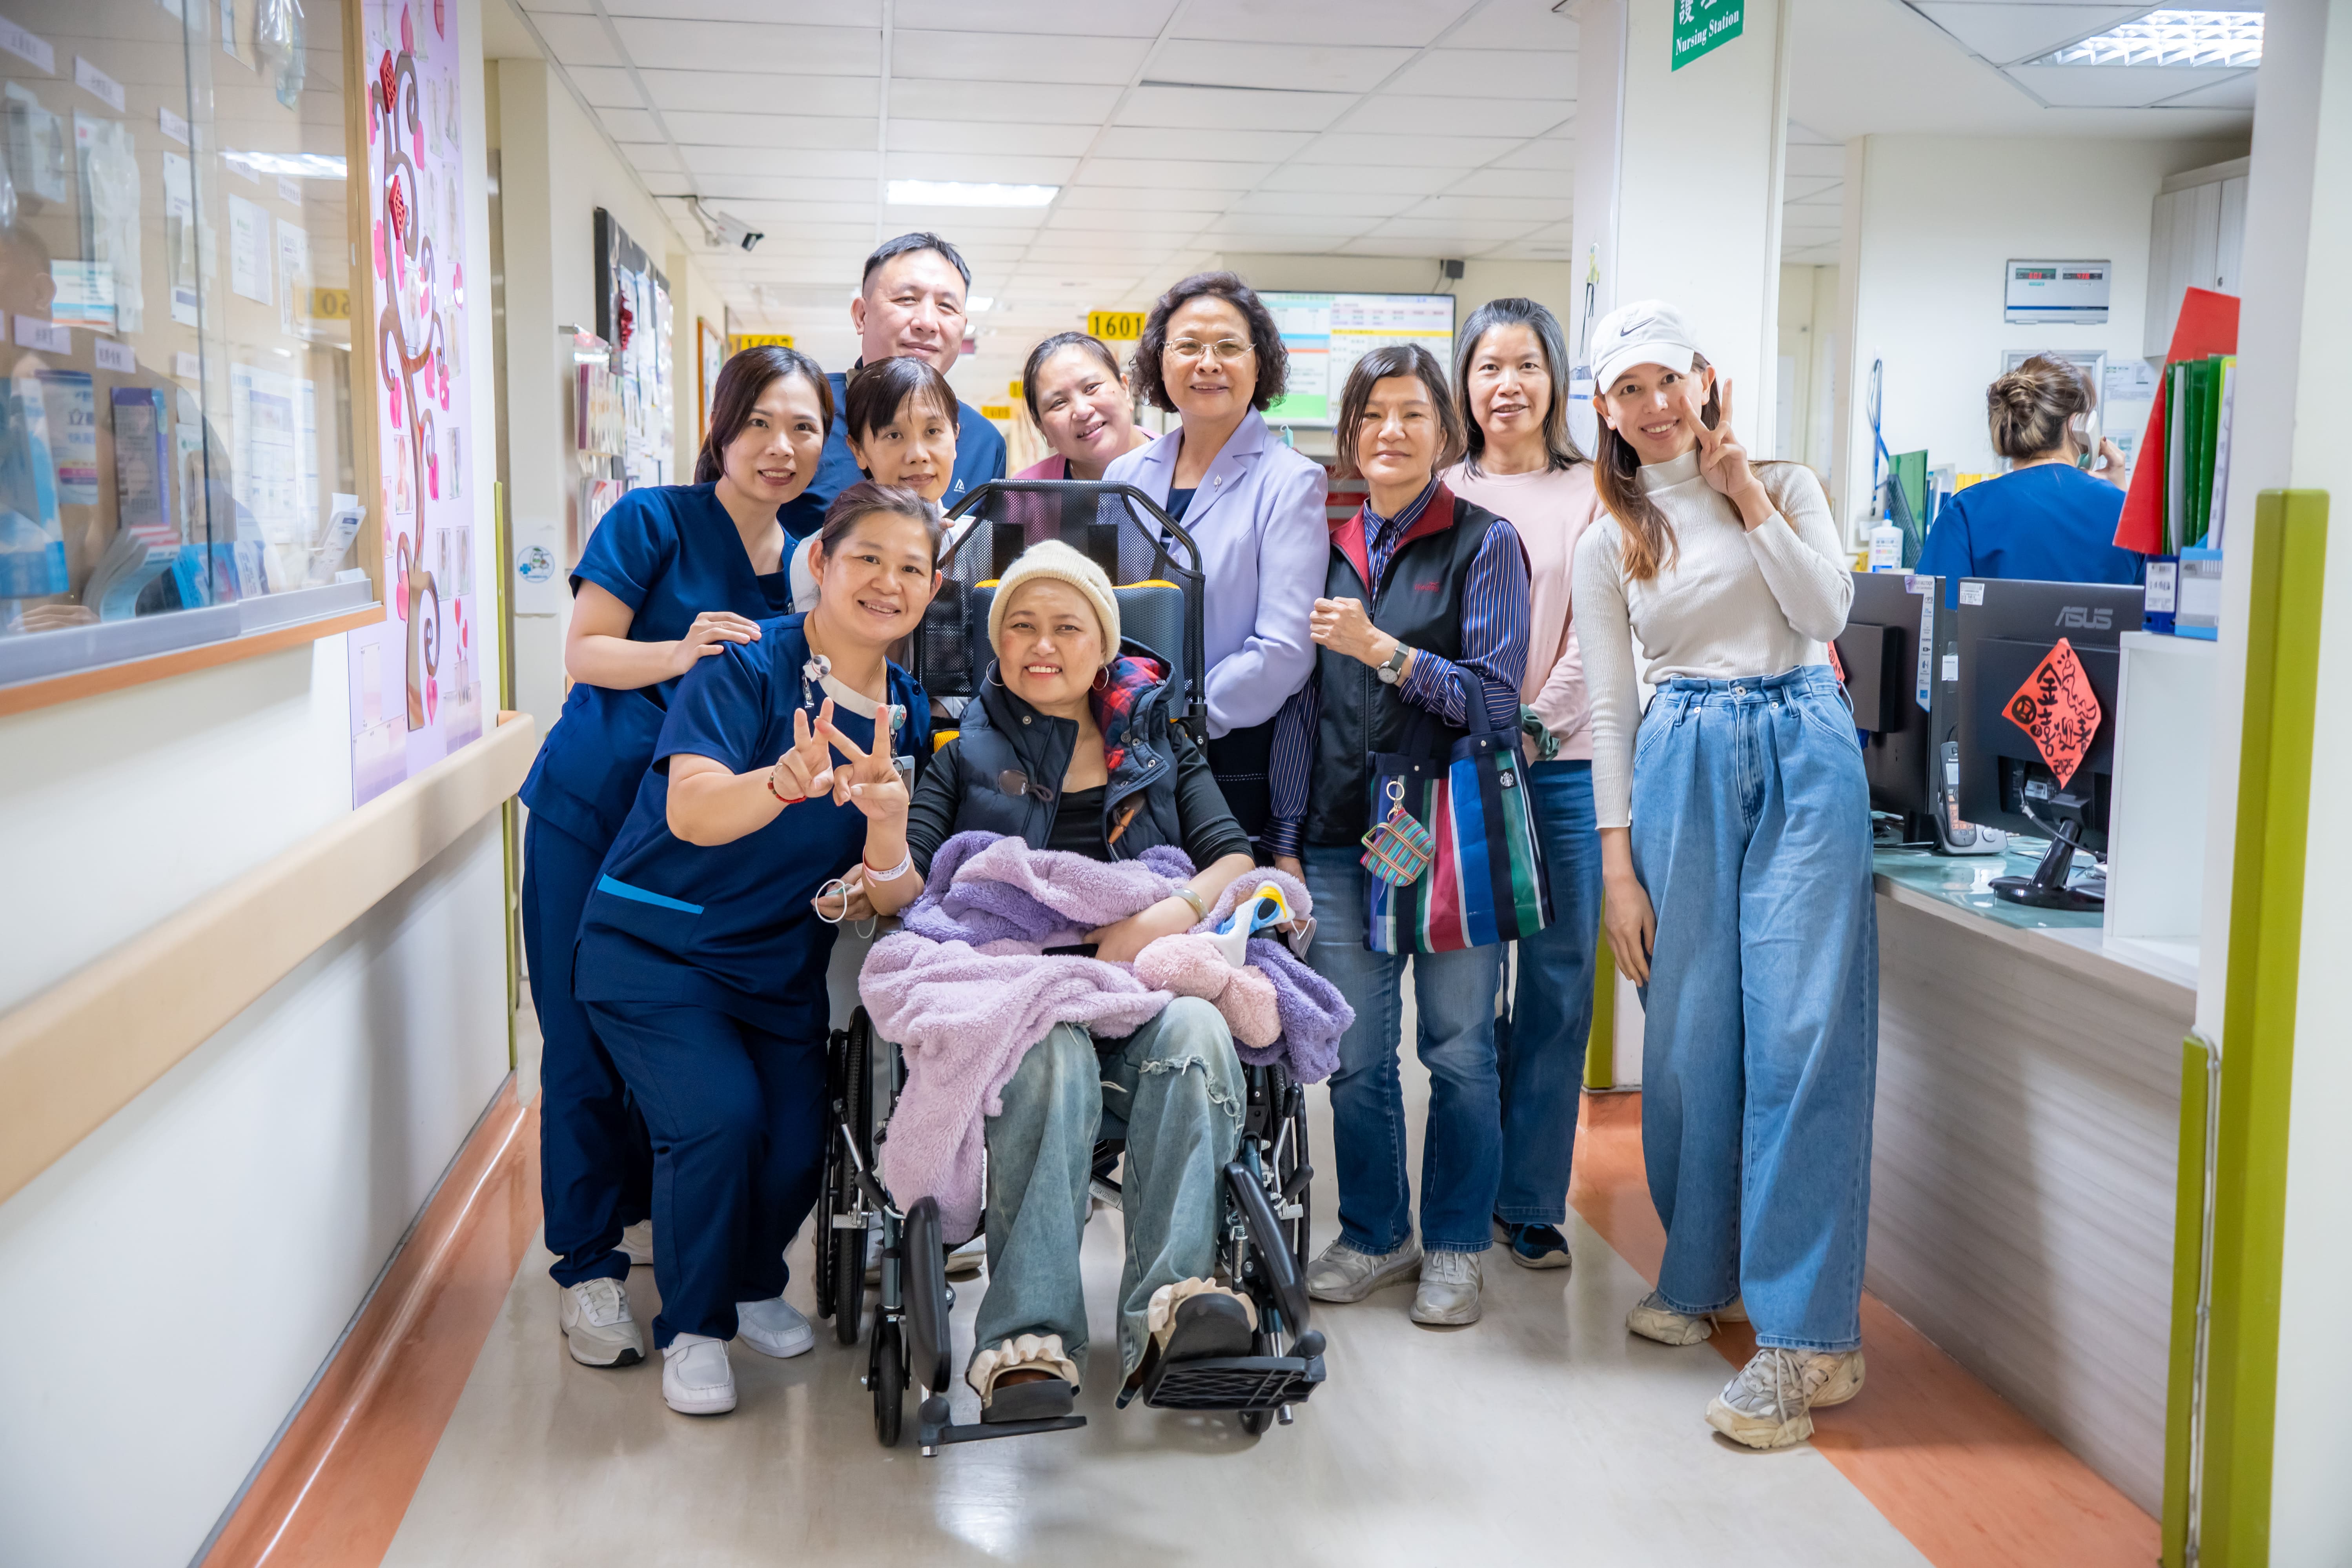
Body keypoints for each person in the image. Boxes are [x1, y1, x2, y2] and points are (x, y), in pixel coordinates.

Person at [865, 540, 1261, 1422]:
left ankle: (1172, 1308)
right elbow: (905, 895)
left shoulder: (1162, 746)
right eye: (1021, 626)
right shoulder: (960, 756)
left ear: (1104, 645)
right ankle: (1027, 1337)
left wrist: (1161, 916)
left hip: (1139, 994)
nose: (1042, 645)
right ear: (996, 642)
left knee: (1199, 1026)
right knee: (1046, 1049)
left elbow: (1233, 858)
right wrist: (886, 826)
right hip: (1020, 1003)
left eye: (1067, 627)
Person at [1573, 299, 1873, 1451]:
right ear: (1605, 409)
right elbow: (1610, 709)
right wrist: (1617, 867)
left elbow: (1826, 612)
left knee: (1800, 1036)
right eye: (1629, 389)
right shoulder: (1609, 534)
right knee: (1689, 1037)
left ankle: (1808, 1341)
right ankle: (1701, 1272)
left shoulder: (1786, 484)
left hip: (1801, 738)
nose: (1654, 406)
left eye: (1670, 380)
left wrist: (1745, 494)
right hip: (1681, 752)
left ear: (1705, 382)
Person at [570, 482, 939, 1416]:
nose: (888, 582)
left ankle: (745, 1282)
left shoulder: (908, 710)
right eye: (867, 559)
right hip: (657, 947)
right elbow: (692, 811)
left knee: (796, 1147)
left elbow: (894, 893)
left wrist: (886, 831)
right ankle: (694, 1327)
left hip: (774, 963)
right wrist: (779, 781)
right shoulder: (745, 666)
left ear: (933, 590)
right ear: (821, 562)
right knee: (719, 1120)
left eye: (911, 568)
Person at [514, 345, 831, 1372]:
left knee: (693, 1040)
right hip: (596, 812)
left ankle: (687, 1237)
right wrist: (681, 651)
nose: (781, 447)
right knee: (580, 1040)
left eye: (804, 427)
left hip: (703, 847)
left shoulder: (813, 552)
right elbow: (585, 649)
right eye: (760, 423)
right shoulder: (652, 519)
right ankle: (588, 1265)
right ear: (722, 428)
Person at [1265, 344, 1530, 1329]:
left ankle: (1456, 1244)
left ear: (1445, 432)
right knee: (1357, 1052)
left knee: (1460, 1050)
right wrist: (1285, 838)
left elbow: (1496, 706)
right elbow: (1297, 708)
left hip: (1450, 831)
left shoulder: (1483, 542)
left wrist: (1385, 652)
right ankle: (1377, 1234)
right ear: (1349, 433)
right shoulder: (1325, 546)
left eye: (1413, 413)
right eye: (1372, 414)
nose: (1391, 431)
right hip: (1343, 837)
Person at [1441, 297, 1603, 1273]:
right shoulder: (1438, 490)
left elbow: (1599, 632)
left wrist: (1534, 725)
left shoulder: (1594, 492)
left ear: (1556, 381)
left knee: (1556, 985)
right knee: (1468, 995)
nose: (1508, 386)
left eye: (1527, 366)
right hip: (1458, 770)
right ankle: (1472, 1186)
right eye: (1489, 367)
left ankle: (1532, 1198)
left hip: (1562, 773)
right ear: (1464, 383)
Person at [1105, 271, 1328, 840]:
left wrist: (1178, 715)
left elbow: (1284, 650)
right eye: (1187, 346)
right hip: (1119, 746)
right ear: (1160, 362)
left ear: (1259, 364)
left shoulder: (1290, 482)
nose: (1207, 363)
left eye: (1228, 346)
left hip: (1226, 752)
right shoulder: (1123, 475)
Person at [778, 232, 1005, 537]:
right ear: (861, 315)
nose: (927, 322)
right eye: (907, 299)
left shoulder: (984, 443)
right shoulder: (799, 408)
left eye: (946, 306)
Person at [1915, 353, 2141, 606]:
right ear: (2080, 426)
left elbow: (1933, 618)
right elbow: (2152, 614)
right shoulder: (2128, 515)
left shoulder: (1966, 510)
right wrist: (2122, 501)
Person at [787, 356, 959, 612]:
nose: (918, 455)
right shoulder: (823, 553)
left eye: (933, 432)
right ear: (858, 450)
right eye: (894, 435)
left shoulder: (978, 543)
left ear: (955, 436)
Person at [1011, 331, 1152, 481]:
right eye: (1059, 403)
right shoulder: (1024, 492)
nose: (1082, 411)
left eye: (1091, 387)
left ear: (1124, 389)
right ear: (1042, 428)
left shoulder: (1172, 462)